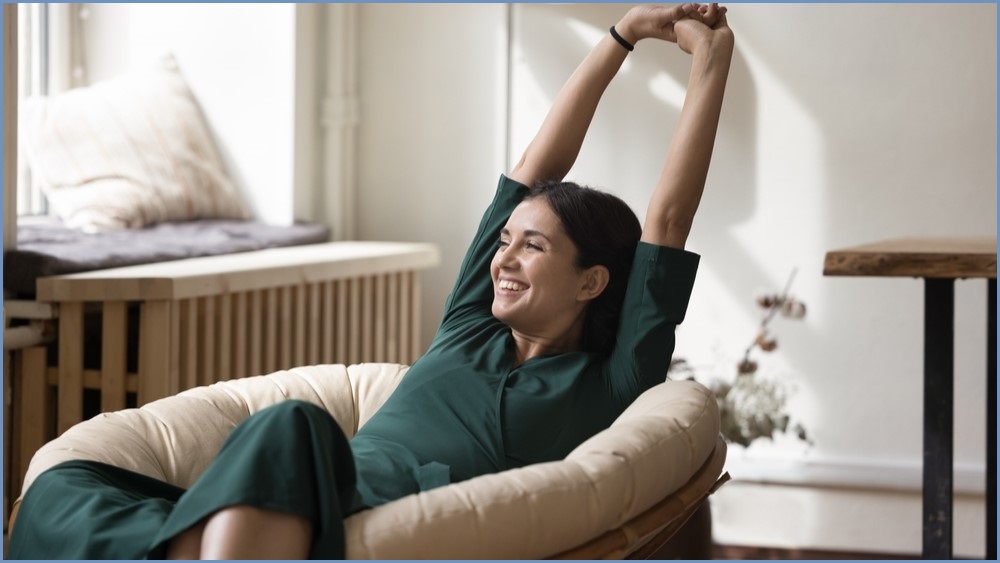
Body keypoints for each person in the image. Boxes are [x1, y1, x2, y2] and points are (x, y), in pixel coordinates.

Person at [8, 3, 734, 559]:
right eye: (503, 240)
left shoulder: (609, 381)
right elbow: (532, 170)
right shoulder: (472, 322)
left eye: (533, 245)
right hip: (287, 497)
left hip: (349, 508)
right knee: (63, 485)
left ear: (592, 281)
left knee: (292, 422)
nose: (503, 257)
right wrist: (620, 36)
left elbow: (667, 218)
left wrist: (712, 62)